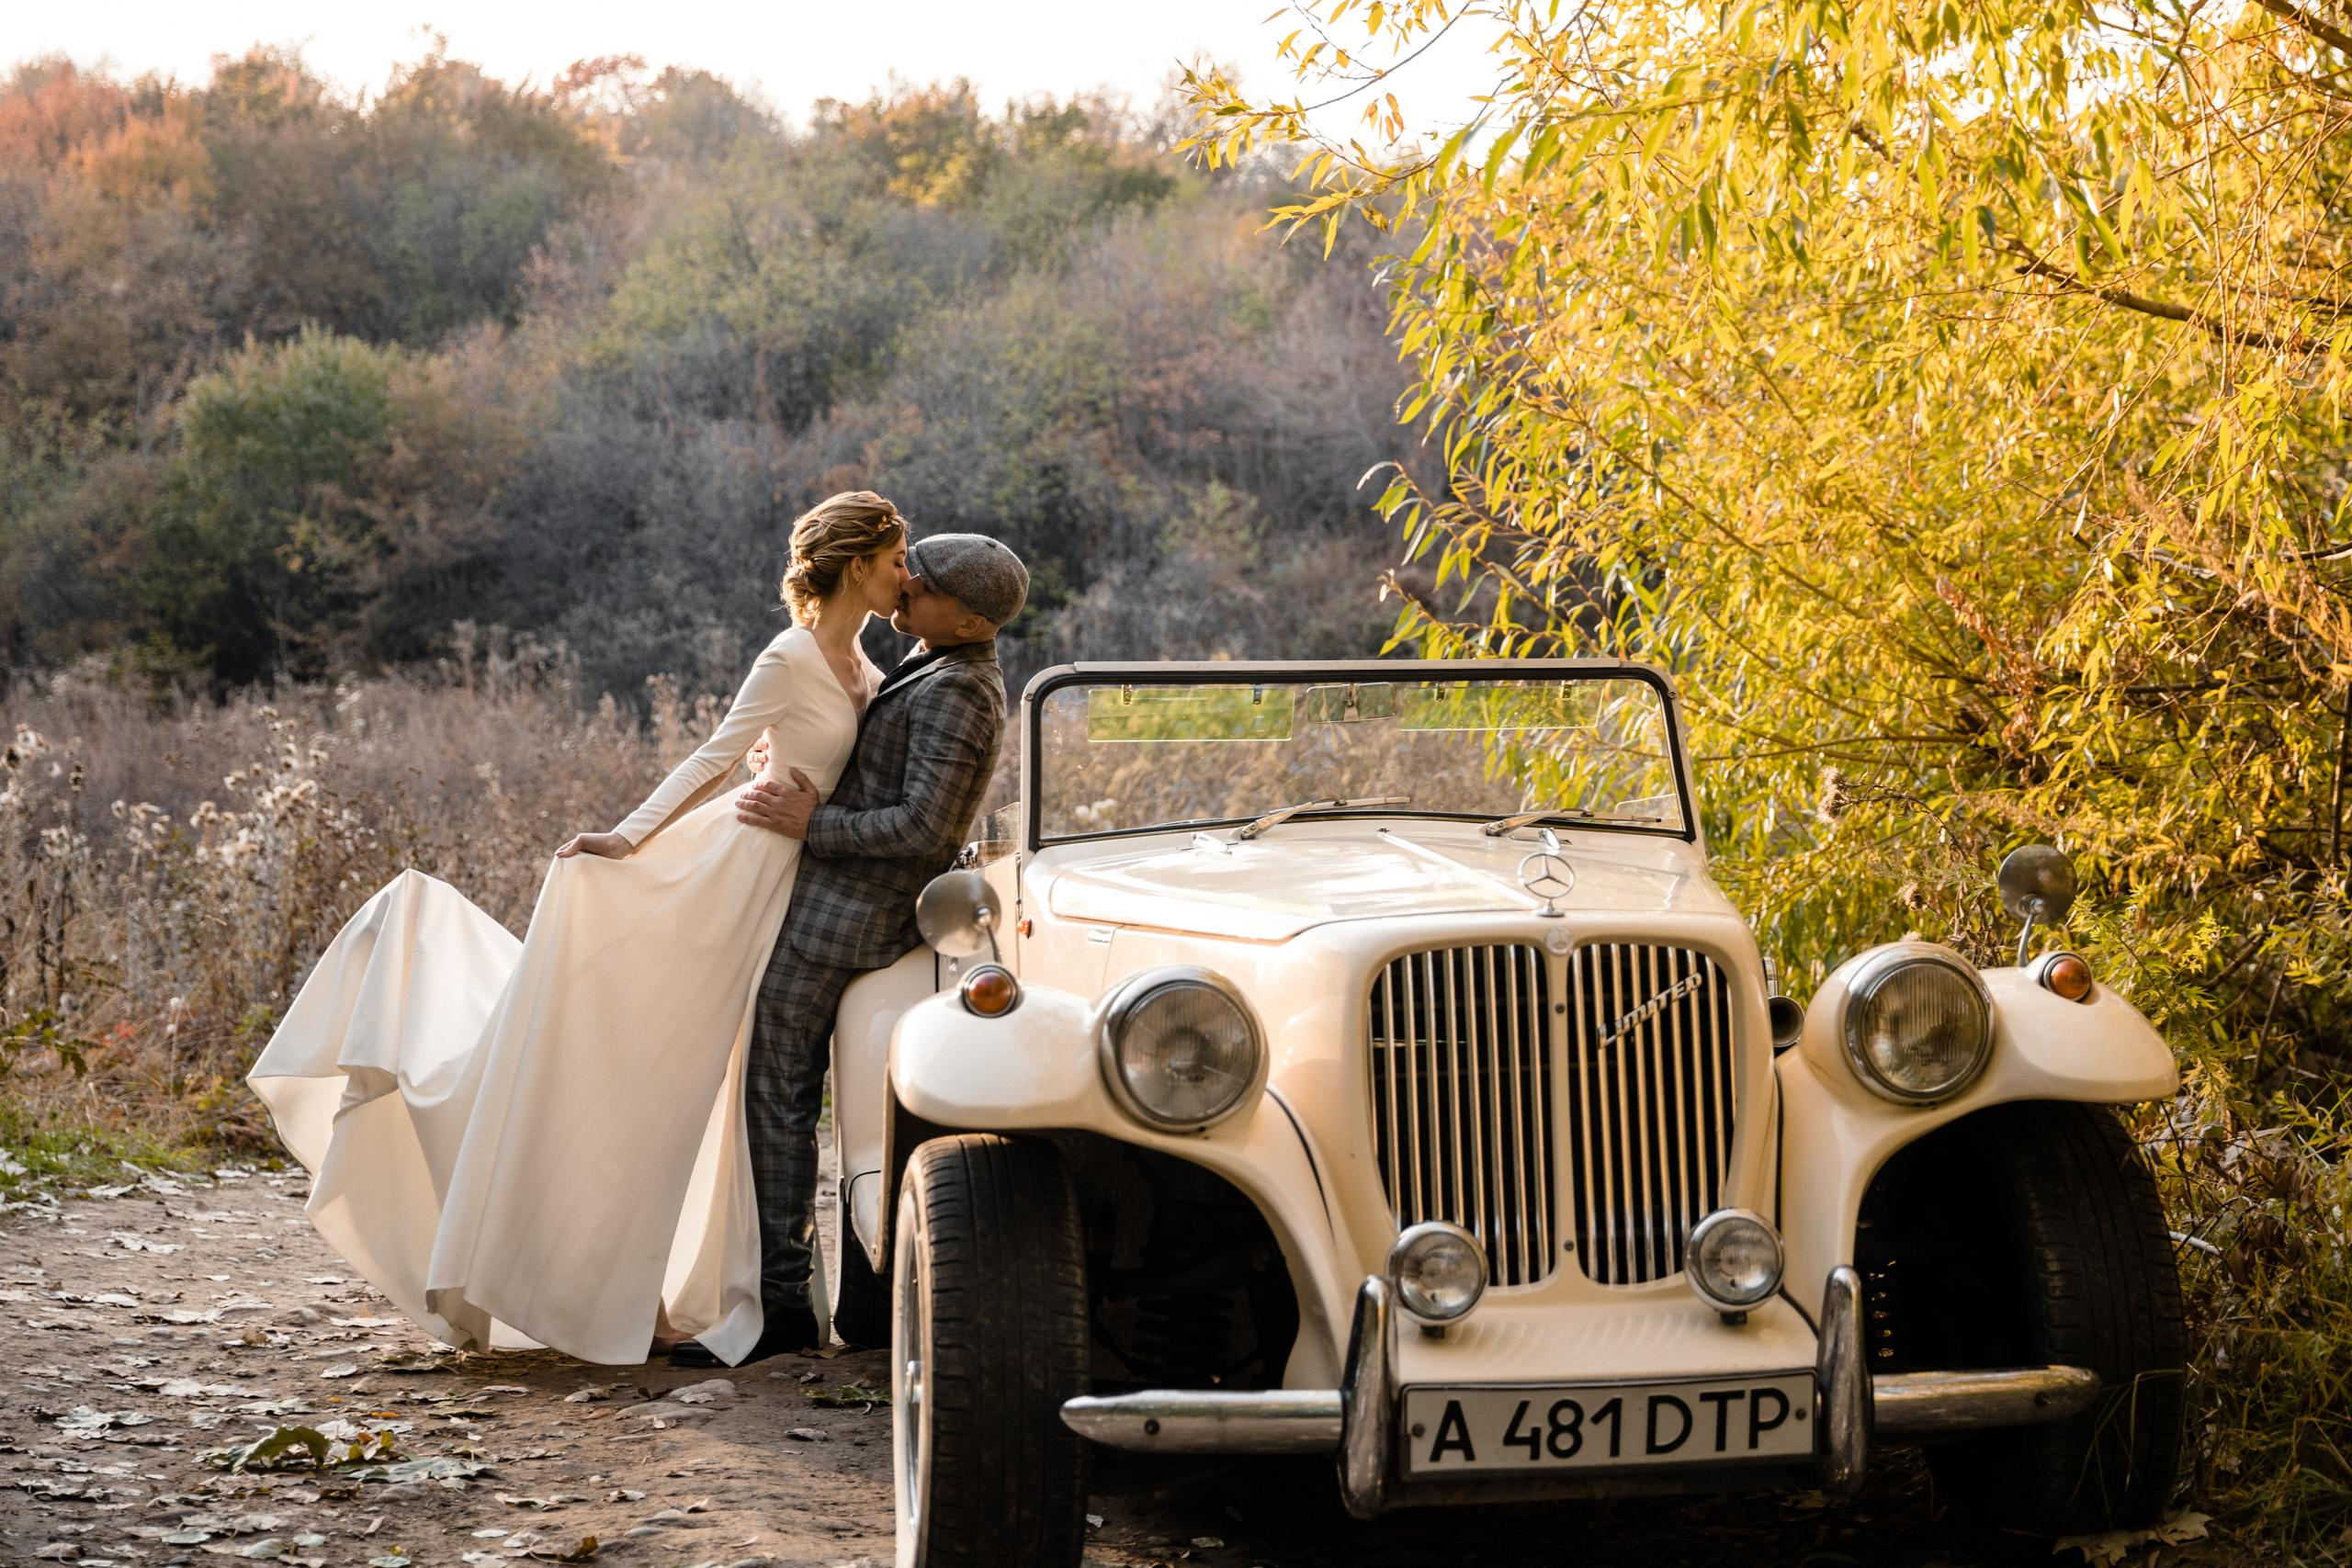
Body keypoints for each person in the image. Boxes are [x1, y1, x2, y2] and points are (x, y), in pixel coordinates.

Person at [248, 492, 910, 1366]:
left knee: (732, 1089)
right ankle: (587, 1280)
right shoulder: (787, 656)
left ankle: (716, 1290)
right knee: (662, 1075)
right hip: (727, 879)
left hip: (789, 884)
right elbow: (715, 755)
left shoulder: (867, 663)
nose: (907, 572)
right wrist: (626, 835)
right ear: (859, 564)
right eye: (898, 557)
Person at [665, 531, 1027, 1366]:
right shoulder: (935, 659)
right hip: (837, 897)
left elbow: (927, 827)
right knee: (776, 1088)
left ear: (971, 618)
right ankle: (786, 1293)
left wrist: (810, 822)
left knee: (776, 1091)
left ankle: (783, 1306)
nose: (904, 584)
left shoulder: (964, 692)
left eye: (922, 581)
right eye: (906, 567)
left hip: (850, 914)